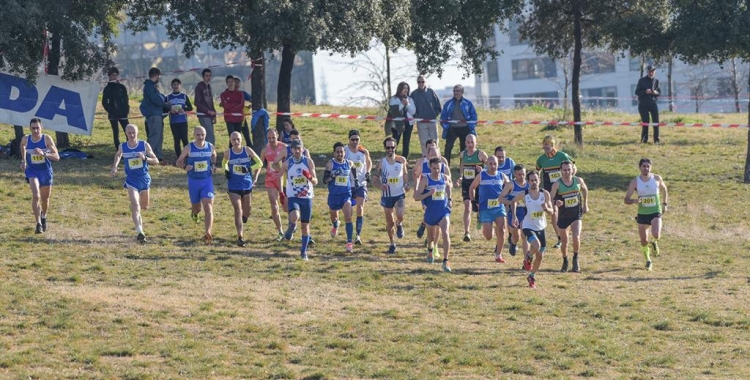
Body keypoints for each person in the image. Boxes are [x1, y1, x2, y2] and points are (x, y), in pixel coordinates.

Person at [110, 124, 159, 243]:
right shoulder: (123, 146)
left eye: (134, 133)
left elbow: (156, 161)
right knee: (136, 206)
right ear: (126, 133)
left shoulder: (144, 145)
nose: (131, 135)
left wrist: (145, 158)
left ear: (137, 133)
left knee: (144, 206)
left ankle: (134, 207)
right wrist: (114, 167)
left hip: (144, 179)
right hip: (131, 180)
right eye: (129, 133)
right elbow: (118, 155)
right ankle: (139, 231)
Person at [506, 171, 554, 288]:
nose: (534, 182)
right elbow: (513, 201)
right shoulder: (525, 194)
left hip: (541, 226)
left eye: (536, 180)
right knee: (536, 246)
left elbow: (552, 212)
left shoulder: (545, 194)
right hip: (528, 225)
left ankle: (531, 276)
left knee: (540, 256)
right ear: (528, 182)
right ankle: (528, 257)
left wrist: (547, 209)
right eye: (531, 180)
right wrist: (514, 215)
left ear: (539, 181)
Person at [624, 158, 669, 271]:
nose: (646, 168)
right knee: (644, 240)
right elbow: (626, 199)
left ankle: (654, 242)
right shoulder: (635, 182)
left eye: (648, 166)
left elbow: (664, 189)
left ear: (651, 167)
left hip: (655, 211)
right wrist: (634, 201)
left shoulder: (657, 178)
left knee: (656, 234)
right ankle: (648, 260)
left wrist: (665, 204)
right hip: (642, 213)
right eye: (644, 166)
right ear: (640, 168)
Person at [176, 126, 218, 243]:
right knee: (197, 208)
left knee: (208, 207)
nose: (200, 137)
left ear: (205, 135)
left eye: (202, 135)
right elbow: (178, 162)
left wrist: (213, 165)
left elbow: (214, 155)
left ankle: (208, 232)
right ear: (194, 135)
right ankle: (194, 213)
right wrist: (185, 166)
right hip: (194, 181)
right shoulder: (189, 148)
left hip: (207, 181)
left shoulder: (210, 146)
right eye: (198, 135)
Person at [20, 118, 59, 234]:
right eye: (33, 128)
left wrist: (44, 153)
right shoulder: (26, 139)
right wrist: (23, 161)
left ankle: (44, 216)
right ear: (30, 128)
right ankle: (38, 224)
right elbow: (22, 146)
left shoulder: (46, 139)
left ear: (41, 128)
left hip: (46, 171)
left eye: (38, 128)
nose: (36, 131)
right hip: (32, 171)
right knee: (36, 195)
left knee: (45, 199)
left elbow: (57, 157)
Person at [469, 155, 511, 263]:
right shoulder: (482, 175)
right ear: (487, 164)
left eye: (495, 164)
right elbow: (472, 187)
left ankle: (498, 255)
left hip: (499, 207)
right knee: (488, 236)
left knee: (502, 229)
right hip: (485, 208)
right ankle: (486, 225)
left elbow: (511, 186)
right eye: (490, 164)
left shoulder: (501, 176)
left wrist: (509, 196)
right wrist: (473, 200)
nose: (493, 166)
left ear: (498, 165)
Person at [281, 140, 318, 260]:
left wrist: (310, 177)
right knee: (294, 216)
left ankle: (303, 252)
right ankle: (291, 227)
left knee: (305, 227)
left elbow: (315, 181)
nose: (297, 151)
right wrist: (281, 191)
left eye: (299, 149)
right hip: (294, 196)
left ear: (302, 149)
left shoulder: (308, 161)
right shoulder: (287, 163)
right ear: (291, 150)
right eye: (294, 149)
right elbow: (279, 176)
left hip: (306, 197)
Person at [414, 157, 453, 272]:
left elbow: (449, 186)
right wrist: (428, 194)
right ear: (430, 167)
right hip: (431, 213)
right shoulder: (425, 180)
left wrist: (450, 199)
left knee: (445, 233)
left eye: (438, 168)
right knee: (431, 238)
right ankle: (430, 249)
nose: (436, 171)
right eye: (434, 168)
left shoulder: (444, 177)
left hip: (443, 211)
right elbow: (416, 197)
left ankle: (445, 261)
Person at [224, 131, 262, 247]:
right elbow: (224, 163)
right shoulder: (228, 153)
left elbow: (259, 163)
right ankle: (240, 236)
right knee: (238, 210)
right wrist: (226, 170)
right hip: (233, 186)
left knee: (247, 211)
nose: (236, 142)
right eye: (233, 139)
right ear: (230, 141)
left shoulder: (247, 150)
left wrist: (249, 168)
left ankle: (245, 217)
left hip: (246, 185)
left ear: (241, 140)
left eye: (238, 139)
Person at [550, 161, 589, 273]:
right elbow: (550, 199)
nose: (567, 172)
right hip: (563, 216)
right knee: (565, 241)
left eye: (569, 169)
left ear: (572, 170)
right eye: (565, 170)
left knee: (576, 237)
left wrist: (585, 204)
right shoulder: (557, 184)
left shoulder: (578, 181)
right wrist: (556, 202)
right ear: (561, 171)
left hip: (576, 214)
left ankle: (576, 258)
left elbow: (585, 190)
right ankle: (565, 260)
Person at [535, 135, 574, 249]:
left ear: (553, 145)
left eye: (549, 144)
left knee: (566, 214)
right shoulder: (541, 159)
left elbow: (573, 166)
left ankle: (566, 234)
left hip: (564, 190)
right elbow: (537, 171)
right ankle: (560, 238)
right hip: (550, 191)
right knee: (554, 213)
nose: (546, 147)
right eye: (545, 144)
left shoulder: (562, 156)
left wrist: (571, 179)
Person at [374, 136, 410, 254]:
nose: (390, 149)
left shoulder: (402, 160)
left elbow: (405, 174)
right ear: (385, 148)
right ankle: (392, 243)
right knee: (389, 222)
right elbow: (374, 179)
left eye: (392, 147)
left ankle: (399, 224)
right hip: (387, 195)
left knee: (400, 215)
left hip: (399, 193)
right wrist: (380, 186)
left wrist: (406, 184)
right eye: (388, 147)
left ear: (396, 147)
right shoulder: (381, 163)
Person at [413, 140, 450, 240]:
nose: (434, 157)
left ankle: (433, 242)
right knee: (429, 212)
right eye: (431, 155)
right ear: (427, 155)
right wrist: (416, 189)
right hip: (426, 195)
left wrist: (449, 197)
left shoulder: (443, 164)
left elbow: (449, 182)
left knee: (438, 219)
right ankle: (429, 233)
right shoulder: (422, 164)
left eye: (436, 155)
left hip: (440, 196)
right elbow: (415, 175)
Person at [323, 142, 356, 253]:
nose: (340, 154)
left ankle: (349, 243)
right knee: (333, 217)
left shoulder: (349, 163)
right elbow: (324, 180)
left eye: (341, 152)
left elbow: (353, 168)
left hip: (346, 195)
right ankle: (335, 224)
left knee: (348, 217)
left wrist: (354, 181)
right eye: (337, 152)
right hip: (334, 196)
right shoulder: (330, 164)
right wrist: (333, 175)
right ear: (334, 153)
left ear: (344, 153)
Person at [456, 134, 488, 242]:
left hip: (479, 184)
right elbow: (462, 167)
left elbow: (492, 168)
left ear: (476, 143)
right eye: (468, 142)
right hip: (466, 184)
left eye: (472, 142)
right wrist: (460, 177)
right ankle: (467, 232)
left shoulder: (481, 154)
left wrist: (482, 170)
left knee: (479, 206)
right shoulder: (462, 154)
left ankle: (479, 216)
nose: (470, 145)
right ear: (465, 143)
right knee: (467, 207)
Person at [345, 129, 373, 245]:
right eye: (352, 139)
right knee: (349, 212)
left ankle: (358, 235)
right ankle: (349, 233)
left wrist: (368, 172)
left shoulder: (363, 151)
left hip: (361, 184)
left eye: (357, 139)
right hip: (348, 184)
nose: (355, 142)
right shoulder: (345, 151)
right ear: (349, 140)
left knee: (360, 208)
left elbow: (369, 162)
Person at [259, 129, 288, 241]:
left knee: (286, 208)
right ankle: (280, 231)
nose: (271, 140)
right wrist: (255, 176)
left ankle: (292, 226)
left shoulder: (285, 148)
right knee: (274, 205)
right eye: (269, 138)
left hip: (284, 179)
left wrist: (281, 169)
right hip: (270, 179)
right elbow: (260, 164)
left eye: (273, 138)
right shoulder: (265, 150)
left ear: (277, 137)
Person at [440, 84, 477, 165]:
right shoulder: (448, 104)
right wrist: (446, 127)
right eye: (454, 91)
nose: (456, 93)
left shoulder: (468, 103)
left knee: (464, 149)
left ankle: (463, 166)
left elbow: (474, 116)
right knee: (448, 147)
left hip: (465, 128)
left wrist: (470, 127)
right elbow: (443, 117)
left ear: (462, 92)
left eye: (458, 91)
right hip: (452, 128)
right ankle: (446, 166)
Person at [139, 67, 168, 162]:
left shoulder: (152, 86)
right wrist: (166, 104)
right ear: (156, 75)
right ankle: (146, 155)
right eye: (159, 76)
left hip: (157, 114)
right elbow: (155, 99)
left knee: (159, 136)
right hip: (153, 114)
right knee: (154, 136)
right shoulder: (149, 86)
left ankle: (158, 155)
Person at [411, 75, 442, 156]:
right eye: (419, 82)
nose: (421, 83)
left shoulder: (431, 92)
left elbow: (438, 105)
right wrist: (416, 116)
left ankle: (436, 157)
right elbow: (410, 107)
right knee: (424, 142)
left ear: (425, 82)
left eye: (422, 81)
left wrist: (435, 114)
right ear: (417, 82)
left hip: (432, 121)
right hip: (421, 122)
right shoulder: (414, 94)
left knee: (435, 141)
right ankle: (425, 158)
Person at [505, 164, 530, 258]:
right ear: (515, 174)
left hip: (526, 212)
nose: (522, 176)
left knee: (525, 236)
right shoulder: (510, 185)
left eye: (523, 174)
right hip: (514, 212)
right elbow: (500, 198)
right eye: (519, 174)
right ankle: (513, 243)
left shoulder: (529, 184)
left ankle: (526, 260)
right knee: (516, 237)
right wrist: (512, 202)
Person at [102, 67, 130, 150]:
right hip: (113, 114)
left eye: (116, 75)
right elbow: (104, 102)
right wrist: (111, 110)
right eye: (112, 75)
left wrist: (126, 109)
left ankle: (129, 148)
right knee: (116, 132)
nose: (114, 77)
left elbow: (126, 99)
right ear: (109, 76)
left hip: (123, 113)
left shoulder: (122, 87)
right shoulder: (107, 88)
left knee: (127, 131)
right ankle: (119, 150)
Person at [387, 82, 416, 159]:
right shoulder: (394, 99)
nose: (406, 90)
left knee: (406, 142)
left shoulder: (410, 99)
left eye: (407, 88)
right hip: (397, 124)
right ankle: (392, 158)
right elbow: (394, 111)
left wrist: (407, 104)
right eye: (404, 88)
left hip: (408, 123)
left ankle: (404, 160)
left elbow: (413, 112)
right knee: (395, 141)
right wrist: (402, 104)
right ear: (400, 89)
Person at [166, 78, 193, 157]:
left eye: (177, 84)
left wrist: (183, 109)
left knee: (185, 139)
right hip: (173, 122)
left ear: (180, 86)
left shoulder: (184, 96)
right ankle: (179, 157)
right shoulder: (168, 97)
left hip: (183, 121)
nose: (176, 86)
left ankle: (187, 157)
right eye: (174, 84)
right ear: (171, 86)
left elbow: (190, 108)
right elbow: (164, 109)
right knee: (176, 140)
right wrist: (170, 109)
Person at [635, 65, 661, 144]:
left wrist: (654, 92)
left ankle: (656, 140)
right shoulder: (641, 80)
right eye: (650, 71)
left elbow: (659, 92)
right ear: (647, 72)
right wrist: (645, 92)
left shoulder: (656, 81)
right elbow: (637, 92)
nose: (651, 73)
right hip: (643, 104)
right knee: (645, 122)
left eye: (653, 71)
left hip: (653, 103)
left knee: (656, 122)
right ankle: (644, 139)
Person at [220, 75, 245, 145]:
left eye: (232, 82)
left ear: (234, 83)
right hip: (229, 119)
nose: (231, 83)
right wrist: (235, 105)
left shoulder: (240, 94)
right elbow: (225, 105)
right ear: (226, 83)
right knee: (232, 137)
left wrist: (231, 106)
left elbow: (241, 105)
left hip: (239, 119)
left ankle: (238, 152)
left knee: (238, 137)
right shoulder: (223, 94)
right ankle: (231, 153)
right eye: (229, 82)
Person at [194, 68, 217, 145]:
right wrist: (207, 111)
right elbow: (196, 102)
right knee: (209, 136)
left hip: (210, 115)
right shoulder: (199, 87)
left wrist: (214, 115)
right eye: (206, 76)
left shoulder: (209, 86)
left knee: (210, 134)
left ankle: (210, 151)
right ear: (203, 76)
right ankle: (210, 153)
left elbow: (211, 101)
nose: (208, 77)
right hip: (203, 115)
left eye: (210, 76)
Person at [233, 76, 253, 146]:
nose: (237, 84)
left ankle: (250, 150)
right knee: (235, 136)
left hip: (242, 118)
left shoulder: (243, 93)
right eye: (235, 83)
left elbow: (252, 100)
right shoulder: (229, 93)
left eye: (238, 83)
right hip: (233, 119)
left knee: (247, 136)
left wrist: (250, 106)